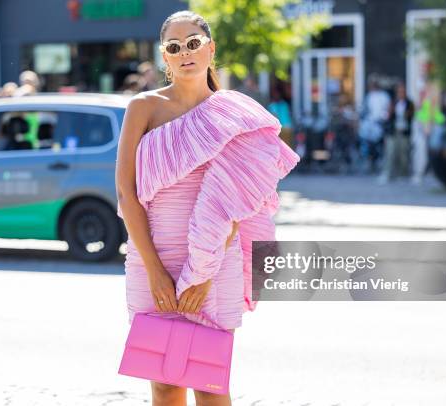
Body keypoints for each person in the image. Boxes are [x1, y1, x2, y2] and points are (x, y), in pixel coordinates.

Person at [115, 11, 299, 406]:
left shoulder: (235, 113)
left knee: (209, 383)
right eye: (174, 47)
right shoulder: (142, 108)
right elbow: (127, 196)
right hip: (153, 256)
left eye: (194, 43)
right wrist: (156, 271)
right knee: (164, 387)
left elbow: (240, 203)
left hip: (215, 262)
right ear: (165, 57)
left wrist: (204, 271)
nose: (185, 53)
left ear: (211, 49)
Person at [378, 83, 414, 184]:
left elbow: (411, 116)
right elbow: (388, 116)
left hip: (404, 131)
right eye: (399, 92)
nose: (401, 94)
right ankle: (387, 173)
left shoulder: (409, 103)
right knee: (390, 152)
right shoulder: (393, 103)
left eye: (403, 92)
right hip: (393, 131)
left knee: (403, 154)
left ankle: (403, 174)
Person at [412, 81, 445, 185]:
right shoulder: (423, 104)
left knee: (433, 153)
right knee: (420, 153)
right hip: (422, 130)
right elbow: (420, 116)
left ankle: (433, 173)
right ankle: (418, 174)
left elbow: (439, 118)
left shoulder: (434, 105)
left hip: (431, 129)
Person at [359, 76, 391, 173]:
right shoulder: (369, 96)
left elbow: (387, 109)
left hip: (380, 124)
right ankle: (368, 160)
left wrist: (383, 119)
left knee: (378, 143)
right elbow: (365, 110)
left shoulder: (384, 96)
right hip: (370, 124)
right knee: (365, 140)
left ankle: (378, 160)